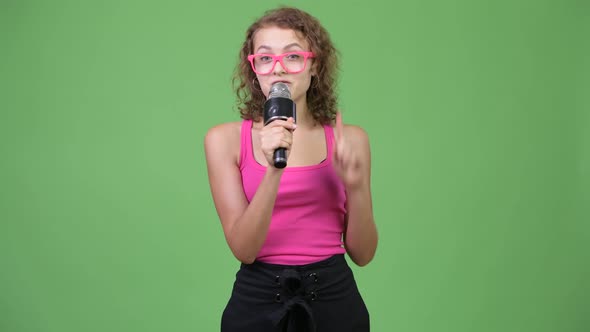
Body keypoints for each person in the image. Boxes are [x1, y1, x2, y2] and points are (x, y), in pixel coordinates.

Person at [204, 6, 378, 332]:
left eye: (293, 56)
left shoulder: (350, 140)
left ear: (314, 66)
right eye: (265, 58)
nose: (278, 69)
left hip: (334, 299)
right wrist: (273, 169)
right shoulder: (223, 140)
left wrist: (355, 186)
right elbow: (244, 249)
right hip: (257, 301)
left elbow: (364, 253)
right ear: (253, 70)